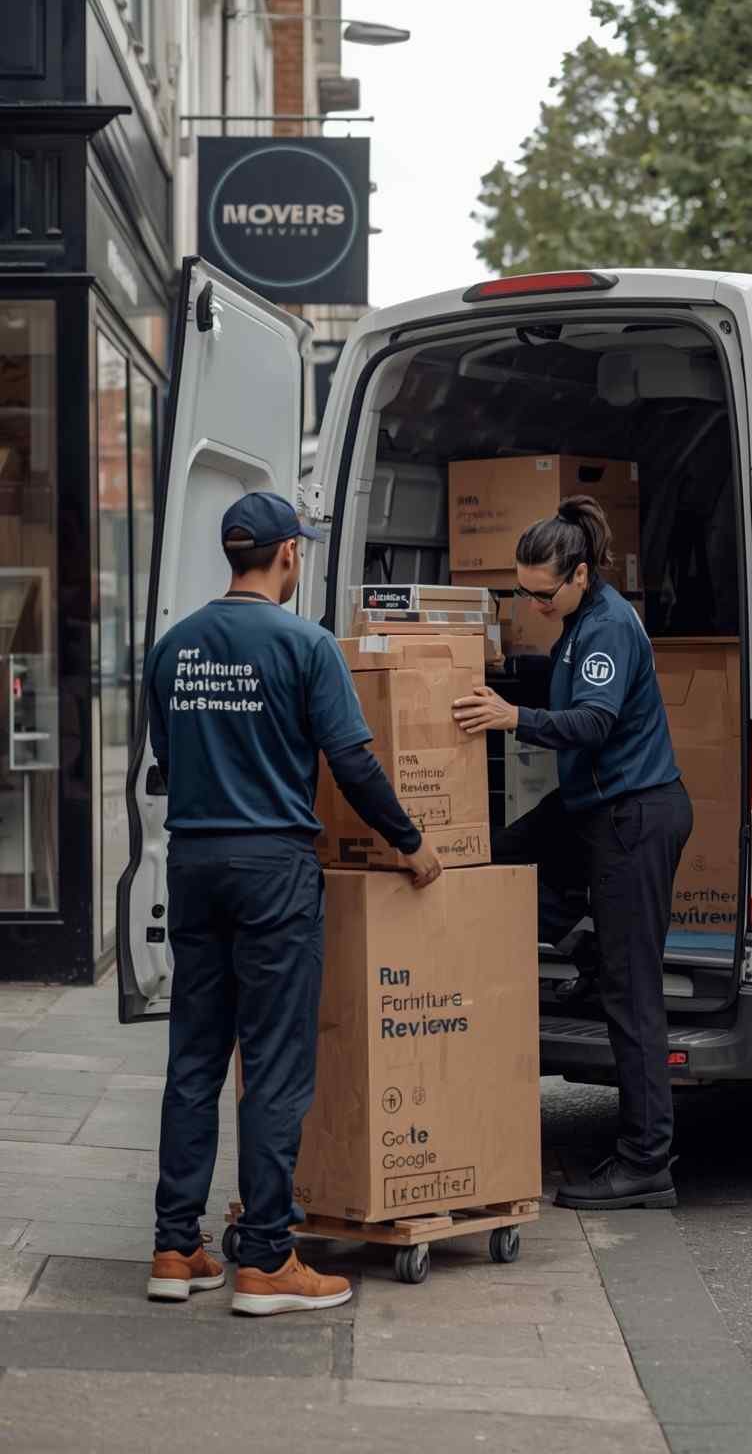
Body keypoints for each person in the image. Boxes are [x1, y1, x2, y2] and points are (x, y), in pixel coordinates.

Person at [144, 490, 442, 1314]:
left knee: (195, 1057)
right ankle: (268, 1259)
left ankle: (175, 1249)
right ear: (286, 556)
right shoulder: (305, 644)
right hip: (274, 866)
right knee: (274, 1063)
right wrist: (411, 843)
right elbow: (353, 762)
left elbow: (165, 759)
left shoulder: (173, 647)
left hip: (195, 861)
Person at [453, 495, 692, 1211]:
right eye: (517, 592)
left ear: (580, 575)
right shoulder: (579, 621)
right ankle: (584, 943)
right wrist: (482, 682)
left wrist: (513, 719)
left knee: (633, 994)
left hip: (634, 817)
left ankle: (646, 1160)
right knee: (502, 862)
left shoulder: (610, 627)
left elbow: (592, 720)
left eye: (538, 593)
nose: (528, 603)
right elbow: (550, 684)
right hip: (593, 807)